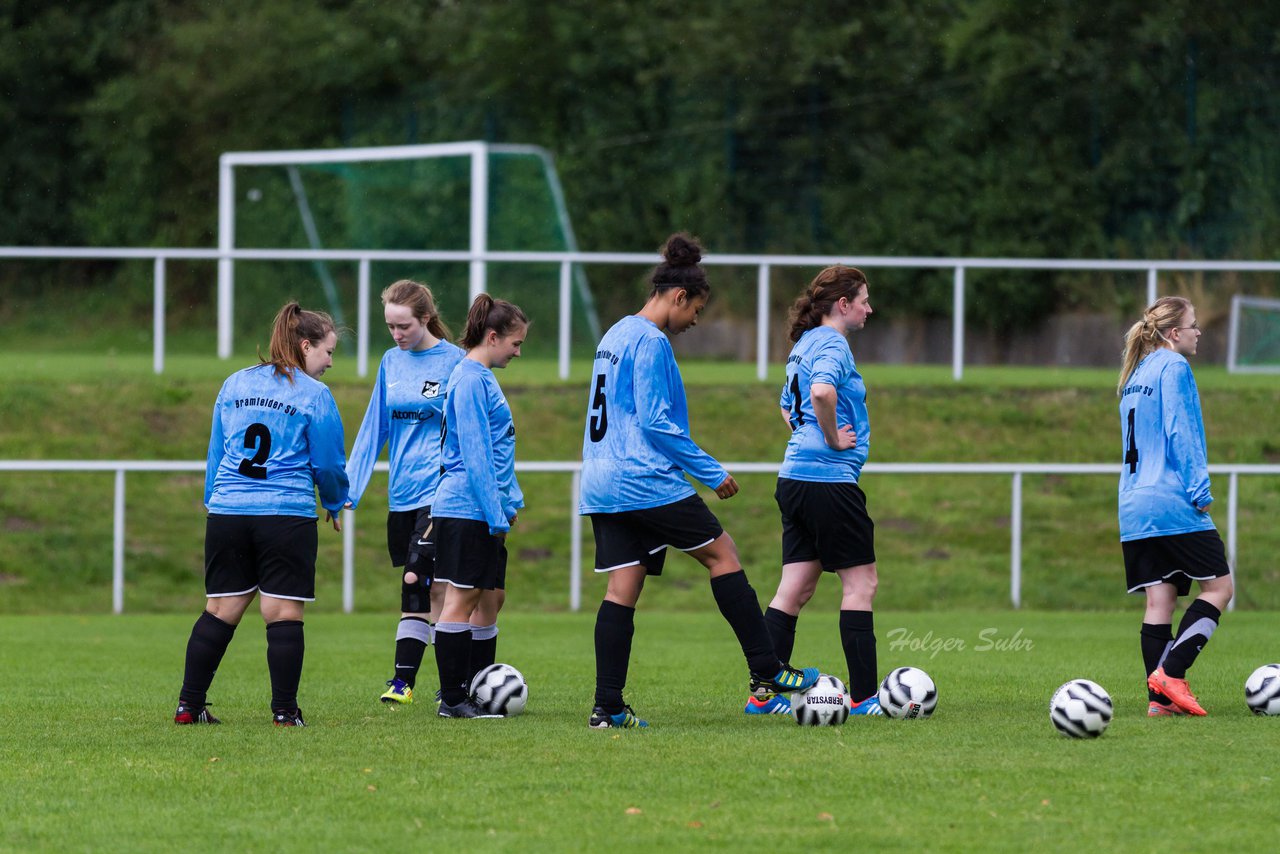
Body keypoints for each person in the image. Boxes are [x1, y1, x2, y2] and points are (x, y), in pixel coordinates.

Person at [580, 232, 819, 729]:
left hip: (602, 481)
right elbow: (654, 422)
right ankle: (769, 669)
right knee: (723, 554)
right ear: (678, 296)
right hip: (643, 478)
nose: (694, 321)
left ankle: (608, 708)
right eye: (696, 310)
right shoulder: (650, 341)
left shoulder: (614, 334)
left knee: (623, 587)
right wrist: (712, 472)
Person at [174, 302, 348, 728]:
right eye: (327, 351)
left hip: (229, 510)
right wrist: (333, 499)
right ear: (305, 346)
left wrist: (214, 501)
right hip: (285, 513)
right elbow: (327, 464)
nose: (329, 362)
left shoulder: (234, 383)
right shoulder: (313, 394)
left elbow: (216, 453)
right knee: (283, 612)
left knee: (220, 608)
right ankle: (285, 713)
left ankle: (188, 706)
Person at [749, 265, 882, 717]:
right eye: (863, 299)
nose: (869, 307)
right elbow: (823, 394)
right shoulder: (831, 343)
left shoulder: (802, 345)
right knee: (861, 584)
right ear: (842, 305)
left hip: (793, 479)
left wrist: (808, 434)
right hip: (828, 482)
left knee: (794, 588)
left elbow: (786, 407)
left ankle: (762, 697)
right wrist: (830, 439)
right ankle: (866, 698)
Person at [345, 280, 464, 706]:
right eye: (390, 327)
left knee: (416, 579)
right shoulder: (390, 363)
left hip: (443, 490)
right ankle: (458, 679)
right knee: (435, 589)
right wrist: (348, 488)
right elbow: (373, 427)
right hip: (403, 494)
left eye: (404, 326)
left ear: (426, 319)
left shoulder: (457, 362)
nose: (396, 334)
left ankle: (402, 682)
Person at [1117, 296, 1233, 717]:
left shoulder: (1135, 374)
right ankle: (1171, 674)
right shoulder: (1174, 367)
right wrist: (1200, 490)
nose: (1199, 331)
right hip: (1171, 501)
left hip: (1133, 505)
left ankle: (1160, 702)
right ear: (1173, 334)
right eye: (1193, 325)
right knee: (1220, 588)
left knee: (1159, 602)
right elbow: (1180, 433)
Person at [430, 294, 528, 718]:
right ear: (492, 336)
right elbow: (475, 454)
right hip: (467, 507)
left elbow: (500, 448)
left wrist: (511, 499)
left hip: (484, 507)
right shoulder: (470, 379)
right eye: (515, 343)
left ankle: (476, 688)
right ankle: (452, 698)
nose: (518, 351)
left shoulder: (481, 376)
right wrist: (494, 512)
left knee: (491, 598)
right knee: (462, 598)